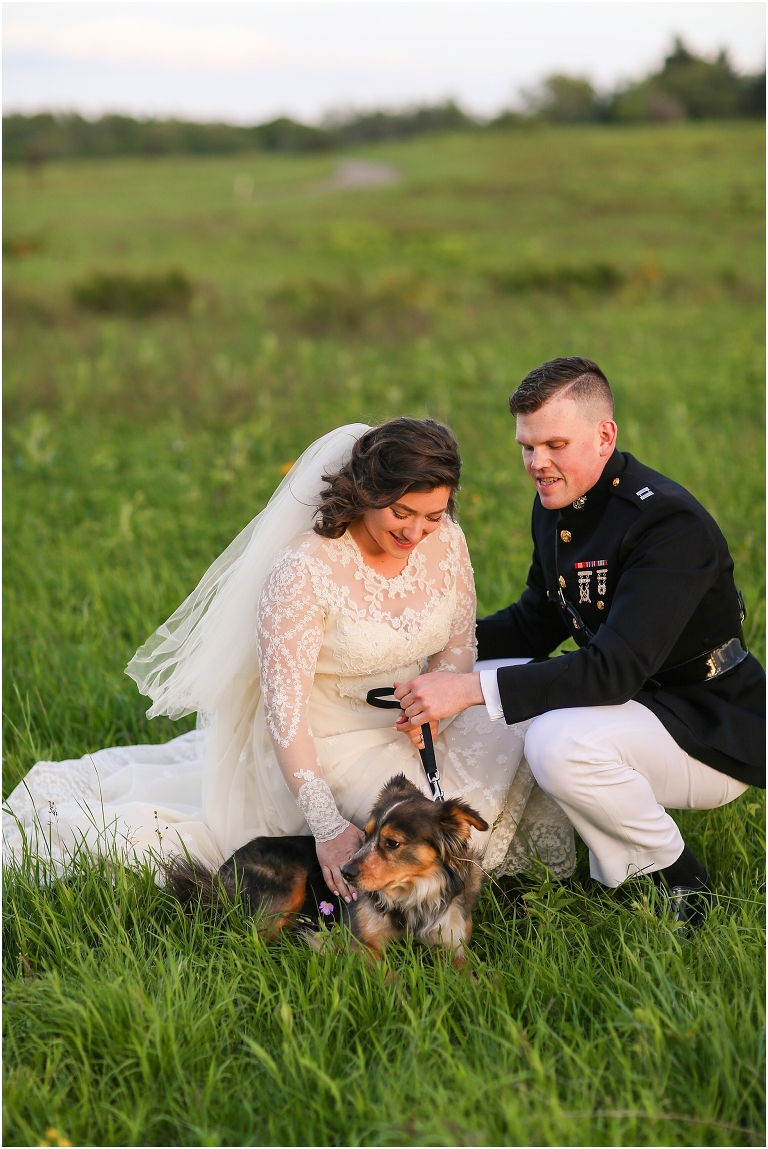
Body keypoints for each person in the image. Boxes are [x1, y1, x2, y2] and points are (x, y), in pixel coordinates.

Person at [3, 419, 574, 900]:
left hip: (420, 716)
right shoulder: (305, 570)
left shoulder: (443, 538)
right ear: (367, 491)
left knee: (533, 736)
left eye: (434, 514)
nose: (420, 531)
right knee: (425, 819)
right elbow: (286, 712)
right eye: (404, 512)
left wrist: (440, 705)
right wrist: (326, 827)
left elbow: (458, 648)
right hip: (331, 742)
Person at [393, 359, 765, 926]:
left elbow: (611, 671)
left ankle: (678, 882)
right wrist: (421, 650)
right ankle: (564, 863)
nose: (537, 463)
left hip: (709, 723)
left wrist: (465, 687)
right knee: (504, 681)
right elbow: (532, 626)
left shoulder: (667, 525)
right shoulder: (559, 505)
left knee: (556, 741)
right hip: (638, 707)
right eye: (527, 446)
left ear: (604, 435)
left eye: (555, 444)